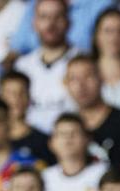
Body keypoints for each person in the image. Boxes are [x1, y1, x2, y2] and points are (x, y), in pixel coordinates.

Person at [14, 0, 77, 134]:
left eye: (57, 17)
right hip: (31, 144)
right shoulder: (21, 66)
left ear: (69, 22)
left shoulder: (83, 62)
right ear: (34, 23)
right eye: (44, 17)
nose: (50, 24)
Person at [65, 54, 120, 168]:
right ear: (66, 84)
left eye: (87, 77)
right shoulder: (65, 127)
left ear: (101, 78)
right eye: (73, 79)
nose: (81, 85)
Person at [43, 114, 109, 191]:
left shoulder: (103, 173)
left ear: (87, 139)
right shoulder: (44, 177)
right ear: (51, 143)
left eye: (74, 133)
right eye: (62, 134)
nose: (68, 139)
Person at [0, 70, 55, 165]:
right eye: (10, 93)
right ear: (1, 97)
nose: (17, 98)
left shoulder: (44, 141)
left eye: (22, 92)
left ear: (29, 97)